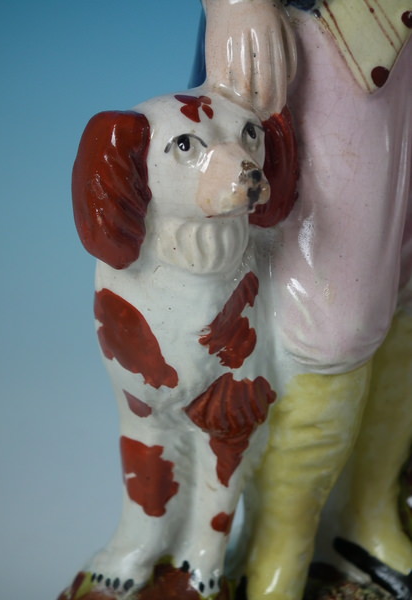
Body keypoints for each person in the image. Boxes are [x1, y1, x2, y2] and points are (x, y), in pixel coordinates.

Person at [193, 2, 412, 599]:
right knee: (331, 317)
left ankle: (365, 515)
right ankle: (278, 548)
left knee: (405, 284)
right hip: (335, 27)